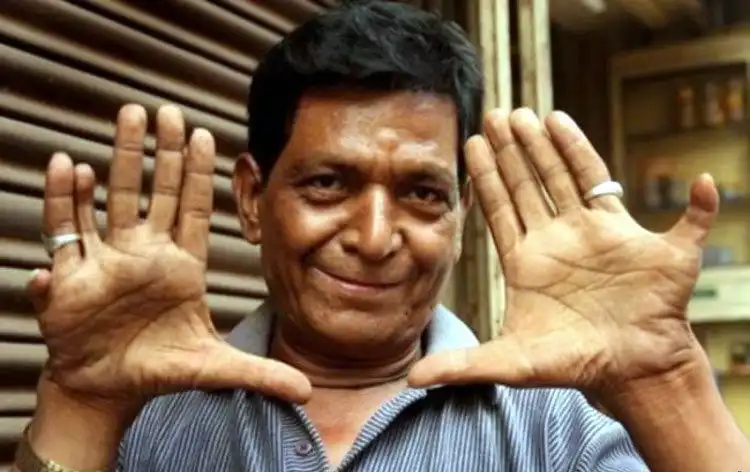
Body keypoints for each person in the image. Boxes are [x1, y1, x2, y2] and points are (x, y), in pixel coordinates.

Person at [14, 1, 749, 471]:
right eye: (327, 184)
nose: (373, 238)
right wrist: (81, 401)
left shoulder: (552, 436)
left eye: (421, 194)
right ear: (252, 199)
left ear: (460, 215)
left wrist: (666, 383)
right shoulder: (146, 424)